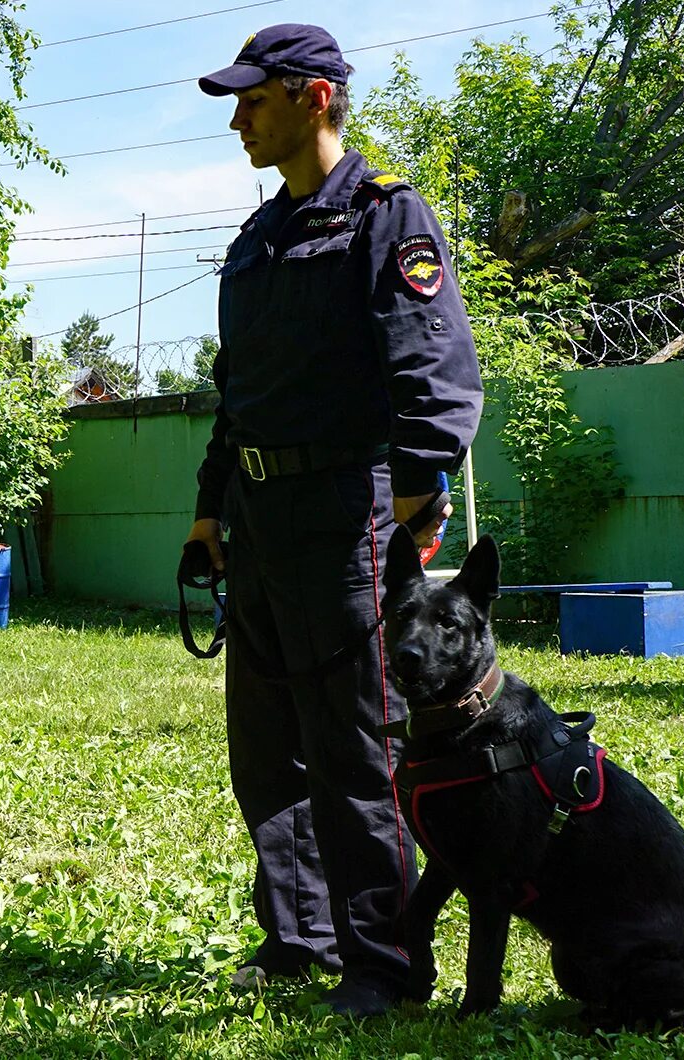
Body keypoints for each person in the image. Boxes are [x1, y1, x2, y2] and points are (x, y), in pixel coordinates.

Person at [187, 25, 484, 1016]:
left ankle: (385, 965)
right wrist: (206, 508)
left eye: (254, 100)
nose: (238, 120)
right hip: (259, 514)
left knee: (357, 746)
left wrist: (415, 497)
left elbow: (430, 369)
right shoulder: (259, 240)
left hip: (349, 515)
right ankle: (299, 935)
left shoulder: (383, 222)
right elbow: (240, 395)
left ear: (314, 98)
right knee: (266, 748)